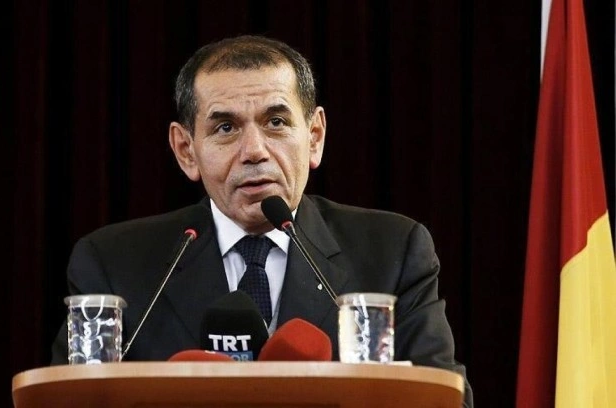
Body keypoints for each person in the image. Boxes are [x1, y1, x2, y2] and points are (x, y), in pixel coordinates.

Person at [51, 35, 473, 406]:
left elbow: (444, 399)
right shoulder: (113, 263)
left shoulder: (392, 251)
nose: (254, 150)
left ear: (314, 137)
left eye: (276, 122)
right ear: (186, 150)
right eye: (226, 128)